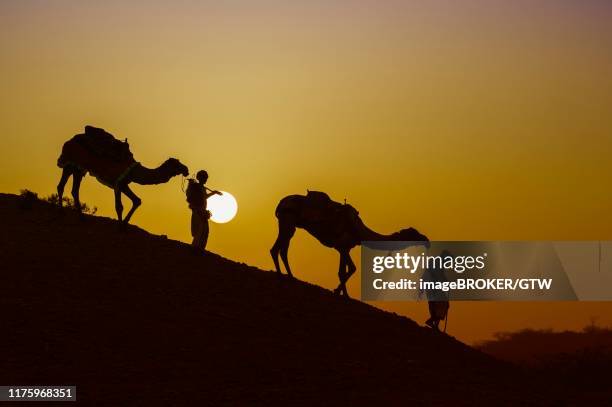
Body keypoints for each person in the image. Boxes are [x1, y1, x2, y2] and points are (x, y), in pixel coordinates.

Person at [186, 170, 221, 253]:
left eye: (206, 178)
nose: (206, 179)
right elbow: (195, 199)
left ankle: (199, 250)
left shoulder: (200, 188)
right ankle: (195, 251)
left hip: (202, 212)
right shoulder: (196, 187)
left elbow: (204, 197)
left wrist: (214, 193)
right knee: (199, 232)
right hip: (198, 212)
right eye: (204, 178)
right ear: (200, 178)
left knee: (204, 232)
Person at [420, 250, 451, 332]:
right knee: (443, 304)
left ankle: (435, 325)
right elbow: (439, 276)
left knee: (436, 305)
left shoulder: (437, 262)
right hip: (433, 288)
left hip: (431, 288)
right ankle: (432, 322)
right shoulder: (437, 263)